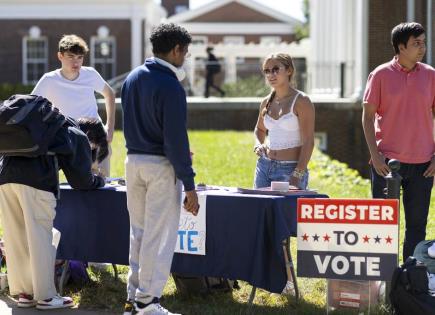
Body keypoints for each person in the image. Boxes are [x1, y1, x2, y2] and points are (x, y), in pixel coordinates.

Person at [121, 23, 199, 315]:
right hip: (160, 166)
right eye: (185, 53)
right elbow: (176, 139)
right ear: (176, 49)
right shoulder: (170, 85)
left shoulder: (132, 77)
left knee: (139, 232)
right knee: (159, 235)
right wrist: (190, 185)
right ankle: (147, 301)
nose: (185, 58)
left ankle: (134, 297)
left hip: (133, 161)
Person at [0, 112, 105, 310]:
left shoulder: (45, 124)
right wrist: (99, 180)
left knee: (16, 238)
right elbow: (81, 181)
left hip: (5, 178)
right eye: (93, 148)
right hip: (36, 182)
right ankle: (46, 297)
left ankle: (25, 294)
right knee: (40, 237)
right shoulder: (77, 135)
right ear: (91, 137)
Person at [362, 22, 435, 261]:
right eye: (416, 43)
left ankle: (408, 281)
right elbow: (367, 116)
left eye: (423, 42)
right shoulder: (380, 75)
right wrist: (375, 155)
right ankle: (383, 280)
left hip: (424, 164)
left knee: (416, 227)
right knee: (382, 227)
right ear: (400, 47)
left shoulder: (431, 75)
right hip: (387, 164)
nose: (422, 47)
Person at [32, 34, 115, 177]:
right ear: (60, 56)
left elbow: (110, 94)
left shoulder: (90, 74)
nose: (76, 62)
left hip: (95, 137)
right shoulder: (49, 80)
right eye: (71, 57)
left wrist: (110, 127)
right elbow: (31, 105)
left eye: (80, 57)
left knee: (102, 184)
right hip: (65, 139)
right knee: (55, 183)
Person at [253, 53, 315, 190]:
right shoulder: (266, 102)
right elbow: (260, 129)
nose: (271, 74)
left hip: (290, 169)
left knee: (286, 211)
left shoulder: (302, 101)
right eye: (267, 71)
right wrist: (259, 144)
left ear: (289, 70)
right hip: (264, 166)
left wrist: (298, 173)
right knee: (259, 210)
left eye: (276, 69)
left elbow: (309, 142)